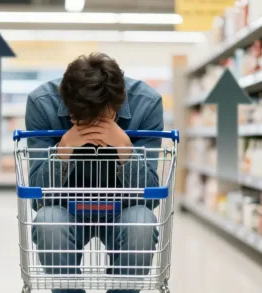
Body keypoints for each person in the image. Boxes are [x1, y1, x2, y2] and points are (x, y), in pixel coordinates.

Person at [25, 53, 163, 293]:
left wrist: (125, 149)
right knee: (48, 221)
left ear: (117, 106)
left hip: (125, 209)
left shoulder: (147, 104)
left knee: (142, 223)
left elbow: (149, 198)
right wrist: (64, 149)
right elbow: (38, 198)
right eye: (83, 120)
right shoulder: (41, 103)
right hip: (65, 209)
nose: (94, 131)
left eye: (102, 121)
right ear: (67, 105)